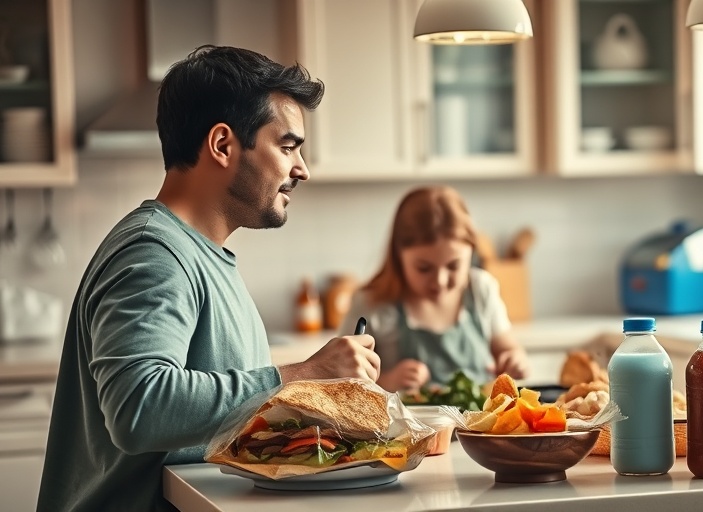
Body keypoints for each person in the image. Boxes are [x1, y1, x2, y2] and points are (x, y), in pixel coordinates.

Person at [37, 46, 381, 512]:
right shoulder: (155, 254)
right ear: (222, 145)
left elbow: (210, 426)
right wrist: (302, 375)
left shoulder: (198, 254)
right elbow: (139, 408)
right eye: (287, 147)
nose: (302, 168)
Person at [341, 185, 529, 392]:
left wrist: (515, 359)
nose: (440, 281)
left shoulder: (480, 289)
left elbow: (507, 348)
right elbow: (344, 380)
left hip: (480, 413)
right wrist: (386, 381)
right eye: (424, 268)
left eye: (453, 266)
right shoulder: (371, 303)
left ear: (472, 252)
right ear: (398, 256)